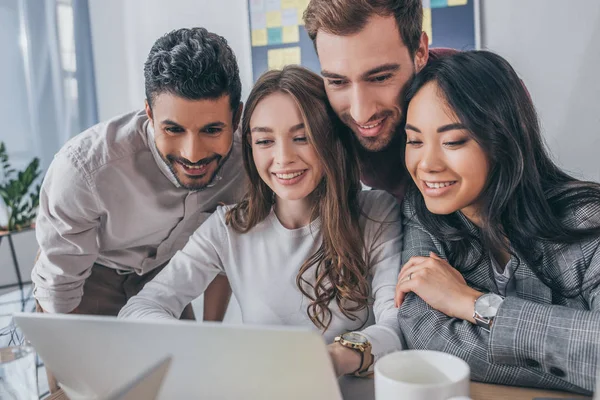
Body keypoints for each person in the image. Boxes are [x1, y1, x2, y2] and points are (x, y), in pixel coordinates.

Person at [119, 66, 402, 377]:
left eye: (301, 137)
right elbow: (138, 310)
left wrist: (331, 359)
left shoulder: (376, 212)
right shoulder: (227, 228)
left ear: (330, 139)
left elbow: (395, 327)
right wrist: (204, 345)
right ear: (250, 147)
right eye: (265, 141)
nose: (283, 158)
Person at [394, 51, 600, 395]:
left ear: (503, 139)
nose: (427, 163)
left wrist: (474, 304)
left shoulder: (587, 220)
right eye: (414, 141)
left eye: (453, 141)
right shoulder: (423, 212)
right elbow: (428, 336)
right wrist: (578, 365)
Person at [31, 27, 245, 321]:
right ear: (149, 115)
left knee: (187, 364)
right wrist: (66, 362)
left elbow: (227, 248)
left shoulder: (252, 159)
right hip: (90, 278)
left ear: (236, 119)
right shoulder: (84, 170)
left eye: (211, 130)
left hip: (165, 280)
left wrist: (211, 334)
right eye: (173, 129)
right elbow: (59, 291)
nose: (193, 154)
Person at [304, 0, 455, 203]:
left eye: (380, 78)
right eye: (338, 82)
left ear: (420, 52)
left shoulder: (481, 93)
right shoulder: (317, 117)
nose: (360, 114)